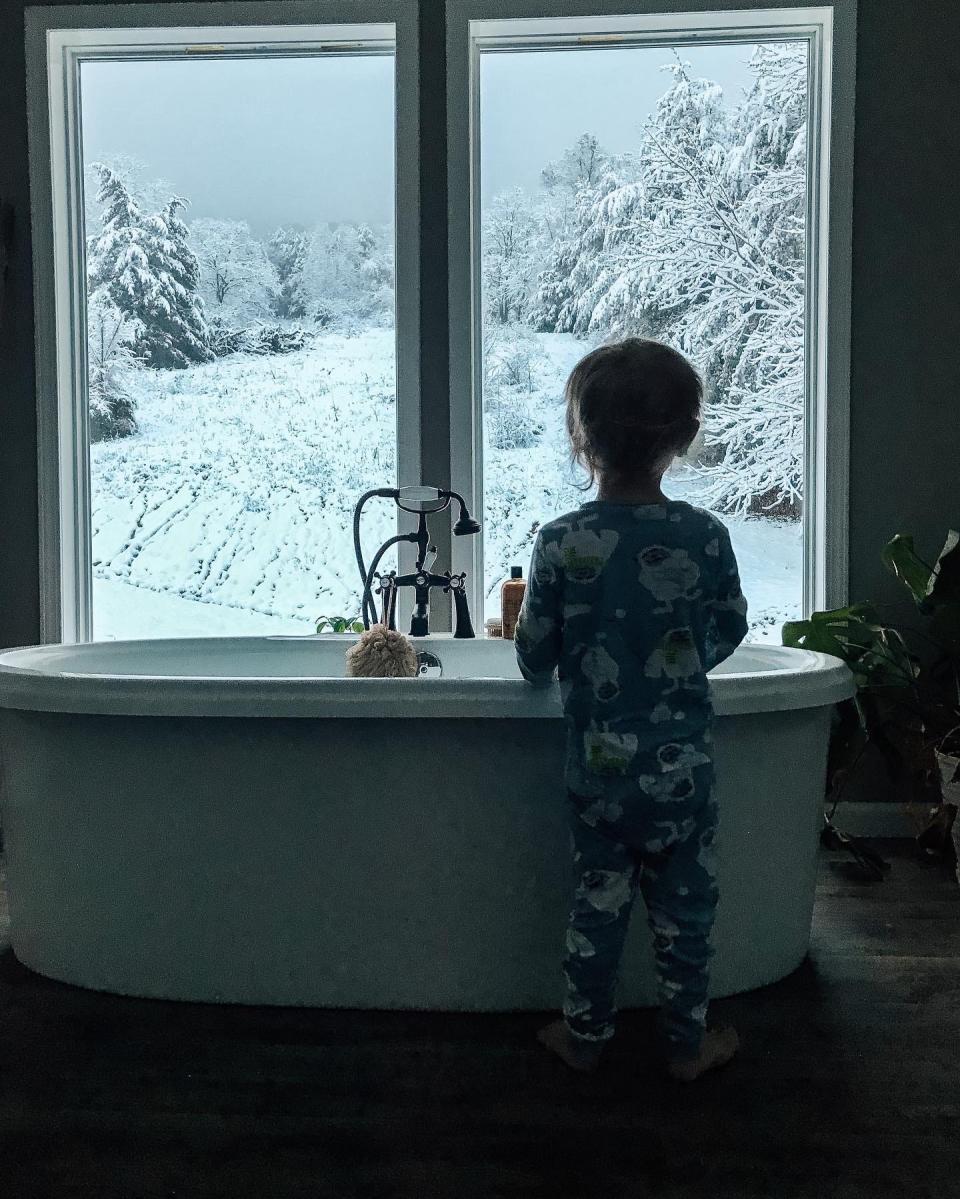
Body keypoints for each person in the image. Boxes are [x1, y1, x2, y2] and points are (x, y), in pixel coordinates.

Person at [514, 338, 749, 1082]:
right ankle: (687, 1044)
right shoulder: (705, 538)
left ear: (581, 437)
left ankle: (585, 1036)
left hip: (600, 775)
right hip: (684, 772)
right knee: (687, 913)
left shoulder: (560, 542)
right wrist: (678, 662)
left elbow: (533, 654)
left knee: (597, 905)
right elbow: (730, 623)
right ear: (682, 437)